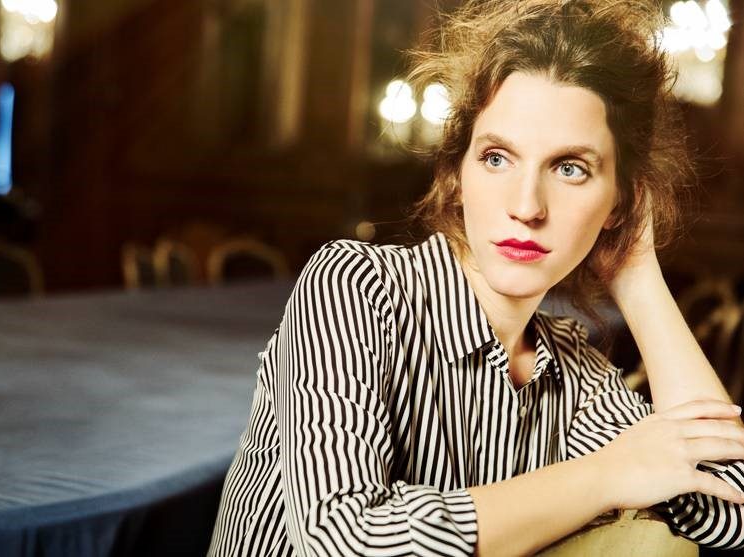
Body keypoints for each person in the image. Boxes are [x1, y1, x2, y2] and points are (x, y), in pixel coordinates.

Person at [208, 0, 744, 555]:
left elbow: (733, 507)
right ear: (457, 174)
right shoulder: (356, 285)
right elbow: (345, 541)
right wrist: (607, 474)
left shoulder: (575, 375)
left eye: (570, 168)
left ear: (619, 203)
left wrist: (637, 273)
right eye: (497, 158)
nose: (526, 206)